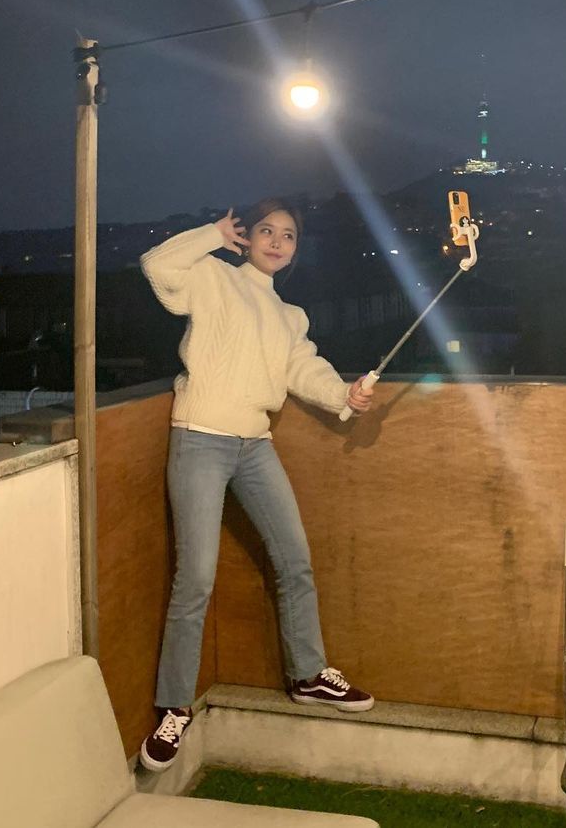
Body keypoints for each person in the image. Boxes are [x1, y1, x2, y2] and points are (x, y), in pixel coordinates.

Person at [137, 199, 375, 773]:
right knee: (196, 576)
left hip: (255, 445)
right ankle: (174, 707)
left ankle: (308, 674)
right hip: (199, 437)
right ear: (247, 236)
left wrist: (344, 395)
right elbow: (156, 265)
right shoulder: (213, 277)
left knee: (295, 560)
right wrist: (211, 234)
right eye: (266, 230)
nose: (276, 241)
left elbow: (303, 369)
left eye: (288, 235)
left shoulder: (290, 315)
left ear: (295, 249)